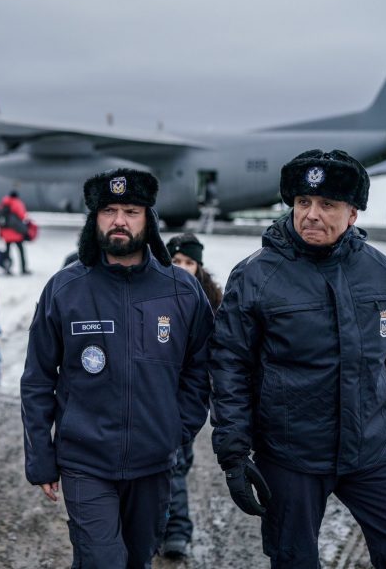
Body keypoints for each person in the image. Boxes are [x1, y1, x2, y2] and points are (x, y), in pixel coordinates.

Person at [210, 149, 386, 568]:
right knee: (293, 560)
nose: (312, 214)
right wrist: (233, 453)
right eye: (303, 202)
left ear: (353, 213)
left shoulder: (384, 275)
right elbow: (230, 366)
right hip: (291, 456)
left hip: (370, 452)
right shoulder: (255, 277)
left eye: (327, 204)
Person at [21, 168, 213, 568]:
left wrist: (177, 429)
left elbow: (200, 368)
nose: (119, 221)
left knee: (136, 560)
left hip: (153, 463)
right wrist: (41, 455)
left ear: (149, 220)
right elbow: (38, 378)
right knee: (102, 560)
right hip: (85, 461)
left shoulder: (181, 289)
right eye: (109, 210)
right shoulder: (65, 288)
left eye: (131, 210)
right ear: (95, 219)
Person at [160, 232, 223, 559]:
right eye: (176, 261)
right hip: (156, 395)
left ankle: (172, 526)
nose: (182, 267)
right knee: (165, 466)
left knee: (176, 465)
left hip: (187, 397)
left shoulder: (210, 301)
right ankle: (168, 528)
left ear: (198, 266)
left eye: (189, 262)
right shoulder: (153, 292)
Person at [0, 191, 30, 275]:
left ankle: (7, 269)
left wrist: (0, 233)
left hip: (6, 233)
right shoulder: (17, 203)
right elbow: (22, 215)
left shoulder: (3, 203)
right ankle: (23, 269)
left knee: (7, 252)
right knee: (21, 251)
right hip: (16, 232)